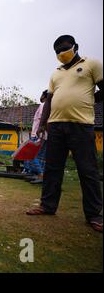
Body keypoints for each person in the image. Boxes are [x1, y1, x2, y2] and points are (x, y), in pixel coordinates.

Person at [27, 35, 103, 233]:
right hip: (56, 126)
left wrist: (91, 99)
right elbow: (49, 101)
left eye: (65, 48)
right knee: (52, 168)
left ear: (75, 46)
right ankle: (47, 206)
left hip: (81, 125)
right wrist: (43, 123)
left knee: (88, 170)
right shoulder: (55, 74)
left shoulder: (91, 64)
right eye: (57, 51)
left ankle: (94, 215)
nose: (61, 53)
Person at [23, 90, 49, 184]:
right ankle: (40, 176)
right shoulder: (50, 106)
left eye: (42, 94)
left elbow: (44, 119)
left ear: (45, 96)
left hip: (38, 134)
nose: (40, 96)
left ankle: (41, 174)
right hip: (44, 135)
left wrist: (39, 133)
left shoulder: (43, 105)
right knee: (41, 157)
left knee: (32, 155)